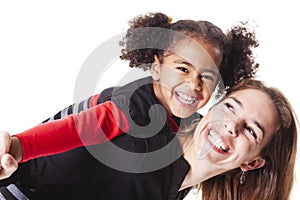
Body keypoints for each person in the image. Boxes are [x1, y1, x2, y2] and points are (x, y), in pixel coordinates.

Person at [0, 12, 259, 199]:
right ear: (156, 68)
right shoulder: (134, 103)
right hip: (27, 186)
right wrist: (18, 146)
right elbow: (77, 128)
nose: (193, 84)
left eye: (207, 77)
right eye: (182, 69)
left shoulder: (191, 128)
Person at [0, 79, 298, 200]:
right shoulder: (138, 135)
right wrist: (13, 148)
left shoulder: (179, 182)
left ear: (253, 162)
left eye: (251, 130)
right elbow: (24, 167)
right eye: (231, 107)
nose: (231, 126)